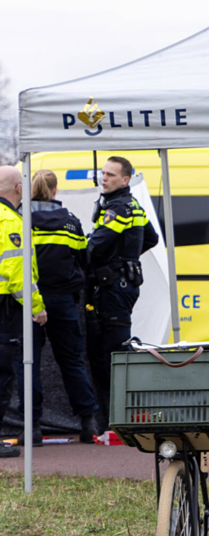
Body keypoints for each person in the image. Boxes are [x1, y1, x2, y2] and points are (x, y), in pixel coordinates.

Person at [86, 156, 159, 430]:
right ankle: (117, 418)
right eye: (103, 173)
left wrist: (117, 261)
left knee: (111, 353)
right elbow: (151, 238)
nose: (104, 178)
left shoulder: (118, 208)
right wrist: (127, 257)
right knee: (113, 350)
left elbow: (94, 247)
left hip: (114, 288)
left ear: (125, 180)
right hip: (122, 285)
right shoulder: (132, 205)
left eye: (110, 175)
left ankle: (118, 421)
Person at [30, 170, 102, 443]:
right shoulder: (71, 223)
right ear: (55, 190)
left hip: (29, 301)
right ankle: (88, 423)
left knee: (29, 363)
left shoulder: (20, 220)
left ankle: (32, 428)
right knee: (72, 362)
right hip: (63, 300)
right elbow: (83, 259)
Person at [0, 165, 48, 457]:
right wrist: (37, 307)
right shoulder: (11, 220)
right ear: (19, 188)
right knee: (3, 374)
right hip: (5, 307)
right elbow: (18, 275)